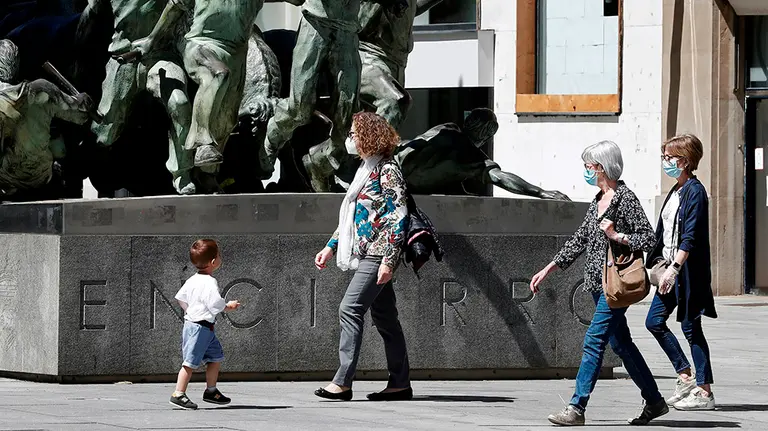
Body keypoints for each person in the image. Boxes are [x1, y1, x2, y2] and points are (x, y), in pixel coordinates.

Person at [529, 141, 667, 426]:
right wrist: (549, 268)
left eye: (589, 166)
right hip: (596, 284)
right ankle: (654, 401)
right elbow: (580, 239)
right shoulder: (598, 199)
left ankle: (576, 408)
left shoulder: (625, 199)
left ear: (603, 167)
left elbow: (648, 238)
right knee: (622, 344)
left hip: (616, 286)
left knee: (594, 341)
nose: (586, 171)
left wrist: (617, 236)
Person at [313, 112, 411, 402]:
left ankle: (342, 382)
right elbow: (357, 217)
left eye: (354, 134)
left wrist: (389, 260)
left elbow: (399, 215)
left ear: (368, 136)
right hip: (368, 250)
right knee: (386, 319)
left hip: (379, 252)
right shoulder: (367, 170)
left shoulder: (388, 170)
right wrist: (330, 246)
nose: (350, 140)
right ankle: (400, 384)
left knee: (349, 308)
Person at [92, 0, 195, 194]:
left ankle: (182, 173)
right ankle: (102, 179)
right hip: (122, 58)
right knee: (104, 132)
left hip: (161, 56)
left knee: (179, 103)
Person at [645, 134, 717, 411]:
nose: (666, 162)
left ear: (685, 161)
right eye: (664, 157)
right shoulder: (676, 191)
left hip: (686, 273)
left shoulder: (695, 191)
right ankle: (685, 375)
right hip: (668, 269)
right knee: (654, 322)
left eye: (669, 158)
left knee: (690, 327)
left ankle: (704, 391)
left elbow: (690, 237)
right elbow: (664, 233)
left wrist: (674, 269)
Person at [394, 108, 569, 199]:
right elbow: (498, 177)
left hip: (391, 168)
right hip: (401, 179)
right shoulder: (465, 148)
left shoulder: (445, 130)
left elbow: (447, 170)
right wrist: (539, 192)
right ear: (485, 135)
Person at [171, 239, 240, 410]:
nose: (220, 258)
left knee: (215, 357)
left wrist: (189, 311)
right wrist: (228, 306)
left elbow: (180, 298)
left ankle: (211, 390)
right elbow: (215, 303)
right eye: (219, 255)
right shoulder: (210, 282)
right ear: (213, 262)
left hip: (203, 327)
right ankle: (178, 393)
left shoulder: (192, 280)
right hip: (199, 328)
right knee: (189, 362)